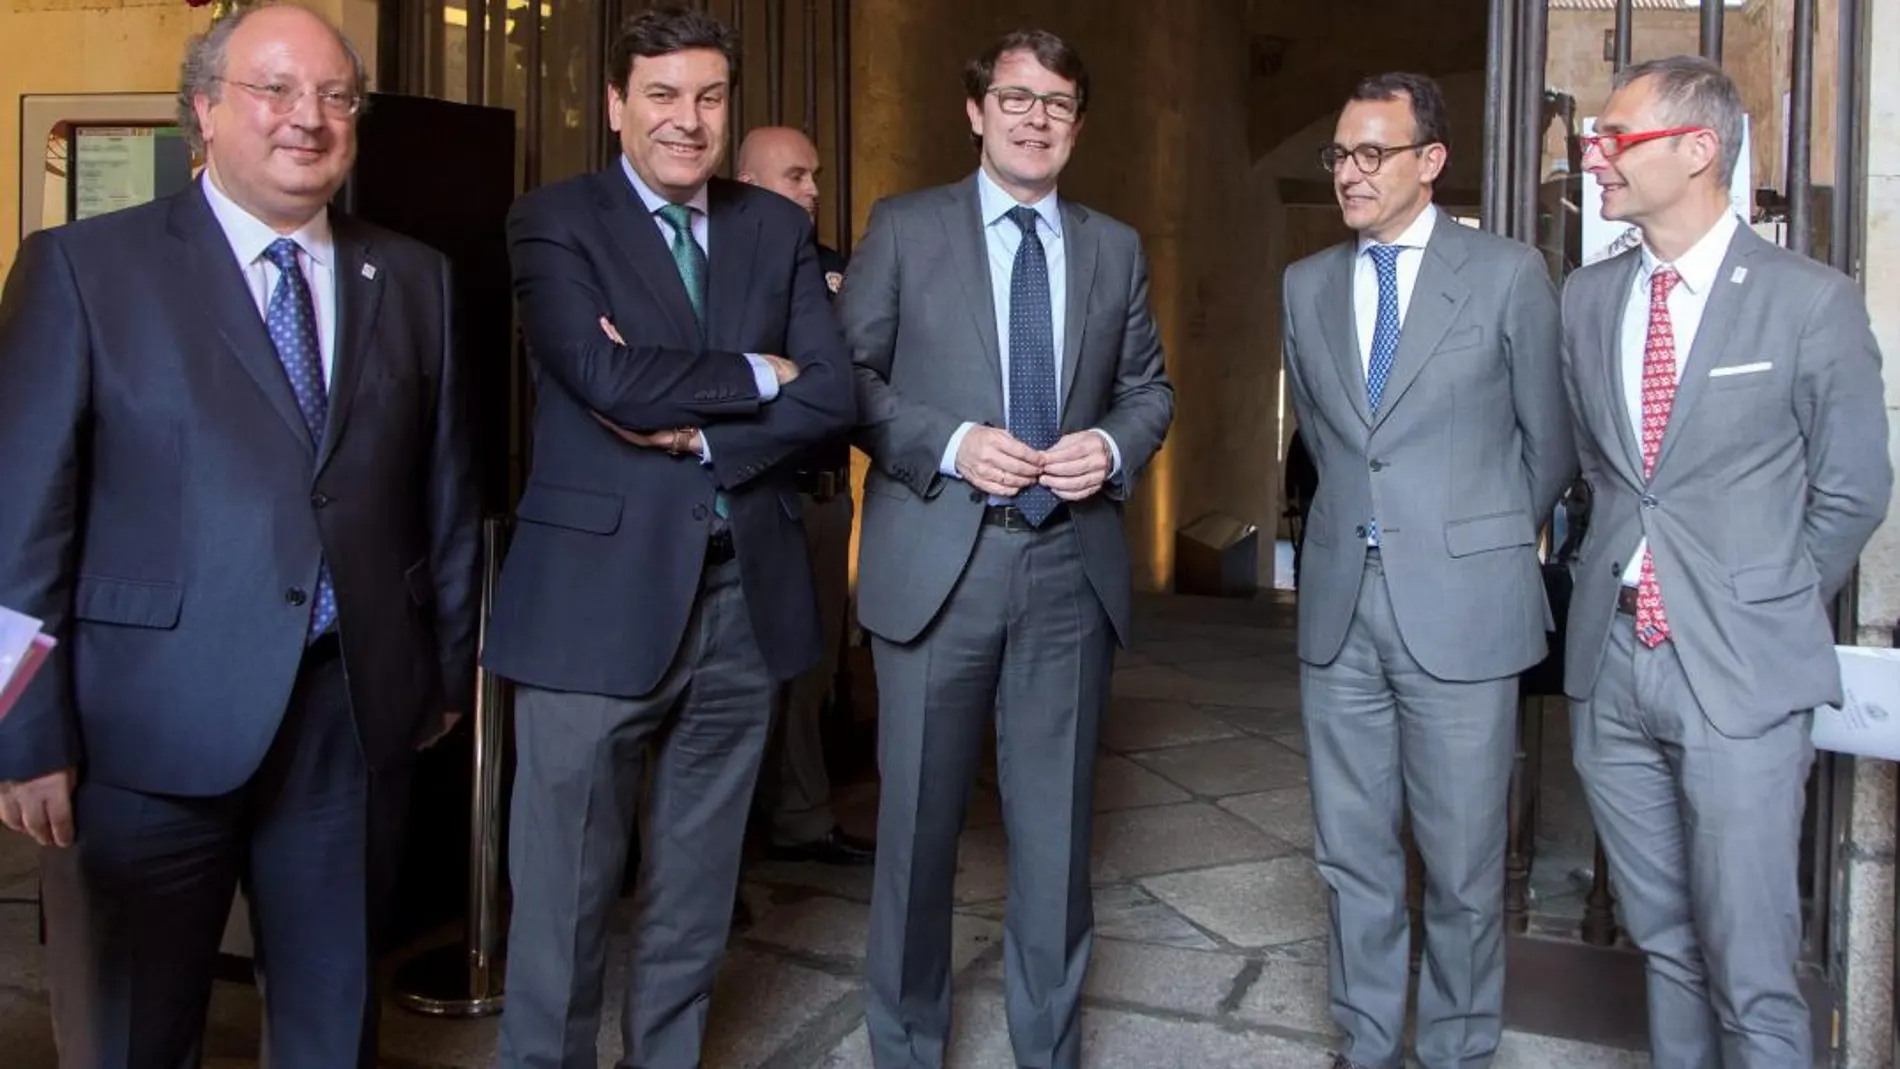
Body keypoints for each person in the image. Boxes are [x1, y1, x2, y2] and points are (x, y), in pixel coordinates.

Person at [0, 4, 480, 1066]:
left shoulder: (410, 277)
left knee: (331, 1023)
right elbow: (17, 517)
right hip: (138, 730)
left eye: (333, 96)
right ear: (205, 112)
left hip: (348, 719)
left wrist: (441, 672)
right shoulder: (83, 270)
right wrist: (22, 734)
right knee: (130, 1031)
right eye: (274, 90)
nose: (306, 118)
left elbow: (441, 491)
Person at [479, 7, 855, 1067]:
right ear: (614, 103)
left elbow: (831, 398)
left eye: (708, 97)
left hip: (742, 597)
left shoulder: (772, 228)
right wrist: (754, 372)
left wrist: (700, 434)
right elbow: (597, 375)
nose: (687, 121)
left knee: (693, 896)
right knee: (561, 903)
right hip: (591, 602)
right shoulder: (552, 220)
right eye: (661, 95)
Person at [840, 29, 1174, 1069]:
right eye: (1017, 99)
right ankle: (906, 1046)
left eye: (1059, 104)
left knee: (1054, 843)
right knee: (916, 838)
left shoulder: (1113, 245)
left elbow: (1150, 388)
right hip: (940, 563)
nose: (1037, 118)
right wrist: (947, 442)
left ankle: (1049, 1050)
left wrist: (1112, 446)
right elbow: (848, 382)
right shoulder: (903, 228)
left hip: (1066, 568)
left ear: (1077, 126)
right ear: (976, 112)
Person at [1563, 55, 1890, 1068]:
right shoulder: (1584, 298)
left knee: (1750, 970)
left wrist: (1762, 599)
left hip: (1741, 672)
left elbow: (1851, 490)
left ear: (1697, 150)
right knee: (1662, 945)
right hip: (1611, 667)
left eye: (1616, 137)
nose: (1594, 156)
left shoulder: (1808, 302)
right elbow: (1601, 471)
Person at [1279, 72, 1573, 1069]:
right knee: (1350, 853)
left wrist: (1474, 542)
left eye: (1372, 154)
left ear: (1429, 162)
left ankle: (1454, 1051)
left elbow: (1551, 446)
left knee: (1459, 861)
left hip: (1463, 607)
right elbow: (1326, 439)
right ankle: (1364, 1045)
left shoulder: (1506, 274)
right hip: (1335, 608)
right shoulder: (1305, 284)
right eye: (1338, 156)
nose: (1348, 175)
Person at [735, 125, 874, 866]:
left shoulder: (835, 273)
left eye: (815, 174)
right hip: (753, 494)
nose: (814, 190)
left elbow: (846, 387)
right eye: (796, 176)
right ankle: (720, 847)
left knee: (811, 665)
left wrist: (793, 378)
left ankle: (801, 816)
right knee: (736, 669)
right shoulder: (718, 265)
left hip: (822, 499)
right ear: (751, 182)